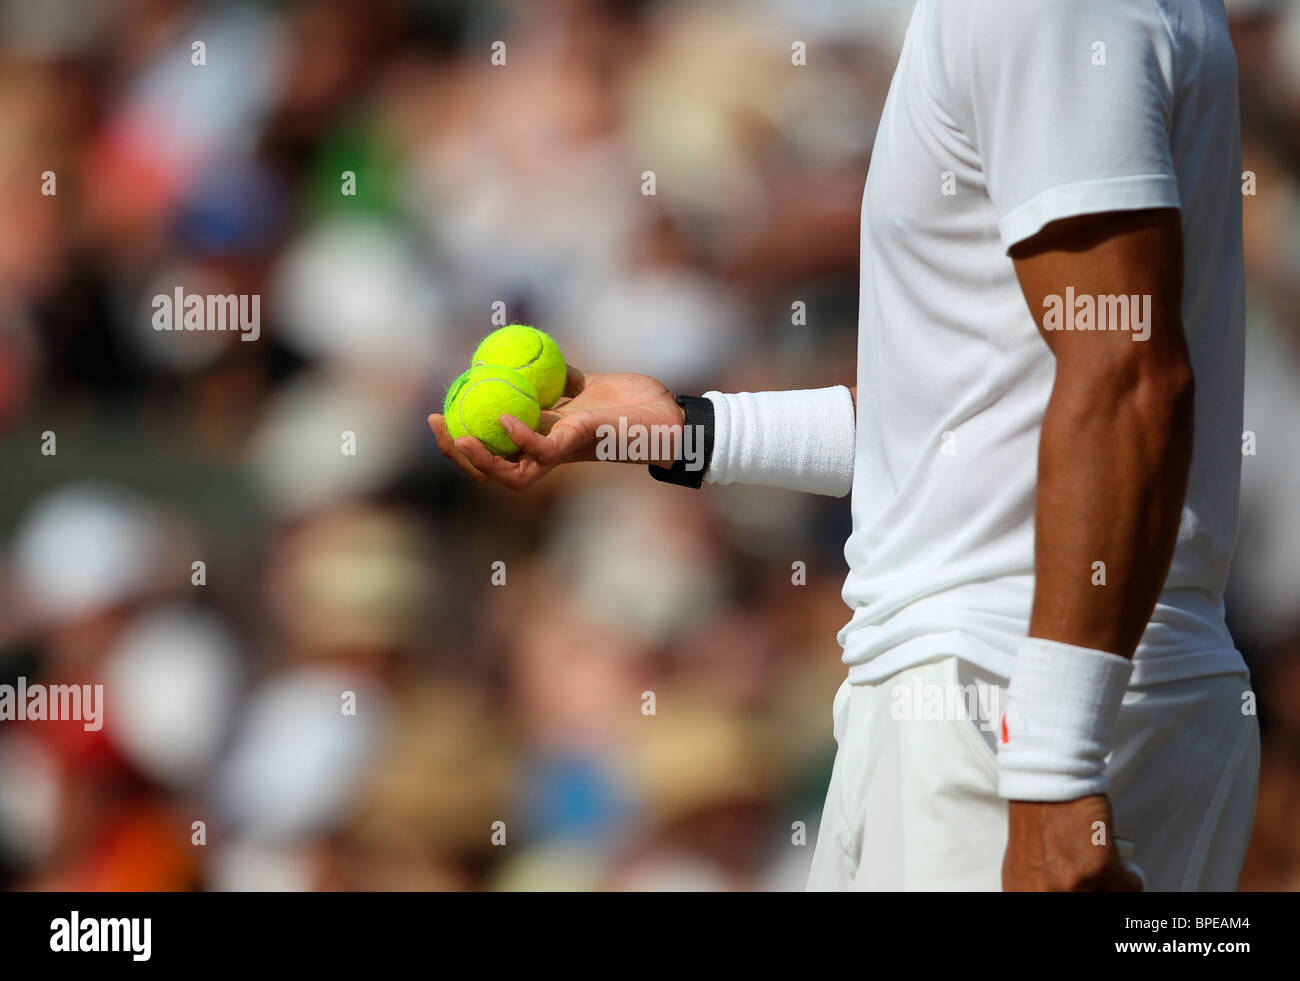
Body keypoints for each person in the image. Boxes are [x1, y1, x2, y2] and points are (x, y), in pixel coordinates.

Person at [430, 0, 1258, 891]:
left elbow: (1130, 375)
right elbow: (971, 430)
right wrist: (686, 427)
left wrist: (1053, 771)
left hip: (1004, 706)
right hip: (1035, 694)